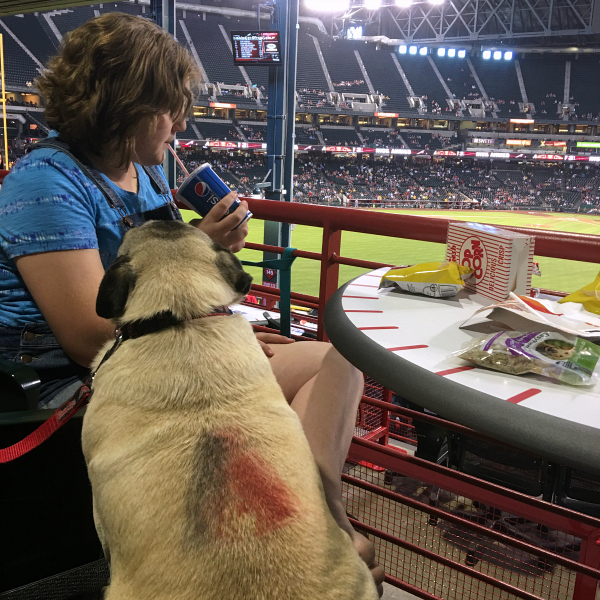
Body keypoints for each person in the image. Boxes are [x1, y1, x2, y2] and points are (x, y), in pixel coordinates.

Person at [0, 13, 384, 595]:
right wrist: (204, 245)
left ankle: (319, 514)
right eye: (170, 106)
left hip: (165, 355)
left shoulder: (147, 172)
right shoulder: (44, 183)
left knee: (338, 359)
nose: (180, 121)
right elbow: (87, 337)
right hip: (65, 378)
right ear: (127, 105)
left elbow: (170, 296)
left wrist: (223, 333)